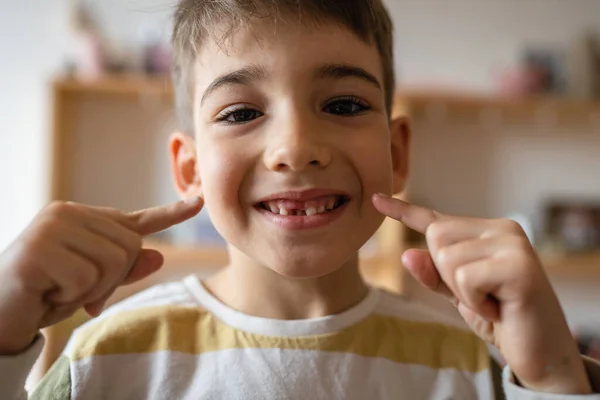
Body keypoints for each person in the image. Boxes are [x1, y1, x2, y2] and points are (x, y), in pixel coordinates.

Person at [1, 1, 599, 399]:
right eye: (240, 113)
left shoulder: (469, 370)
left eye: (343, 105)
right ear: (190, 169)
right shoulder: (106, 358)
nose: (295, 147)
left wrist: (552, 376)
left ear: (396, 153)